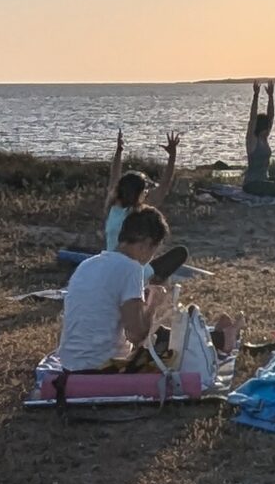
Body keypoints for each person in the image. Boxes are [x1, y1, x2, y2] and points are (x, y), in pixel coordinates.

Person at [53, 205, 177, 372]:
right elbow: (137, 335)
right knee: (173, 347)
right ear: (147, 244)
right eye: (154, 250)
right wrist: (154, 302)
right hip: (101, 367)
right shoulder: (131, 268)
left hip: (70, 364)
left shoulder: (87, 264)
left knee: (164, 336)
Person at [101, 129, 181, 251]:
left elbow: (114, 175)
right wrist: (172, 156)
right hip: (130, 265)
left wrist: (119, 151)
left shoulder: (113, 206)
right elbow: (164, 185)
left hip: (110, 261)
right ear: (139, 193)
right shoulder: (136, 212)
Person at [241, 83, 275, 197]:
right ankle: (273, 188)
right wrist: (256, 96)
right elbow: (252, 119)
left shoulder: (264, 138)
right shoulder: (252, 141)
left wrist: (271, 96)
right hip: (251, 184)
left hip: (265, 180)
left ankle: (272, 186)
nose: (269, 130)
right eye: (266, 128)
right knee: (274, 190)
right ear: (260, 128)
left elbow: (271, 116)